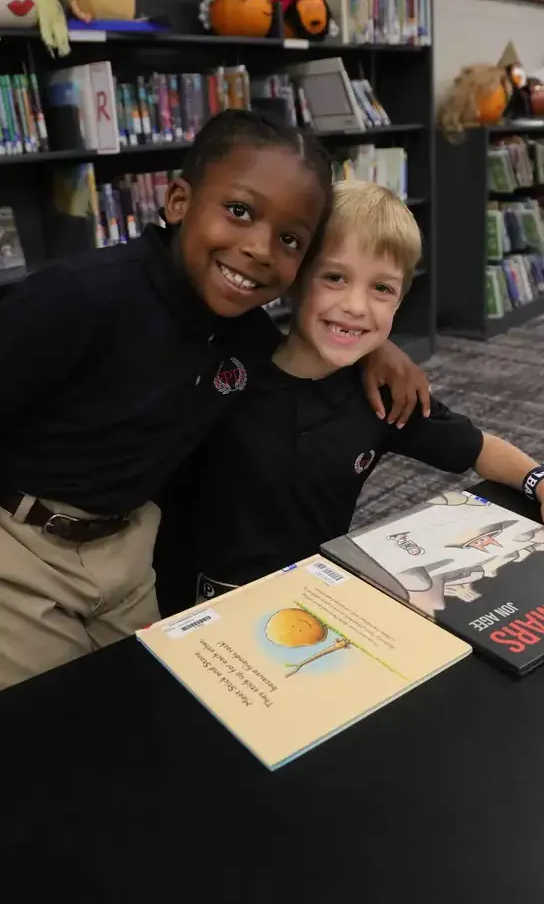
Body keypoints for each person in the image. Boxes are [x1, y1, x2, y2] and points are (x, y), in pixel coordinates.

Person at [0, 111, 428, 690]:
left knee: (146, 703)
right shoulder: (78, 299)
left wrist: (379, 348)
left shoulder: (246, 336)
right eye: (240, 211)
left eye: (290, 240)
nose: (258, 248)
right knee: (43, 725)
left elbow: (306, 349)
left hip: (126, 547)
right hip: (21, 546)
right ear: (178, 202)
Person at [188, 182, 544, 603]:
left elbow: (478, 447)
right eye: (334, 277)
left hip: (309, 595)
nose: (356, 306)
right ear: (295, 277)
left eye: (382, 289)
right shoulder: (227, 355)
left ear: (399, 302)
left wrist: (538, 481)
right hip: (186, 603)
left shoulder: (385, 397)